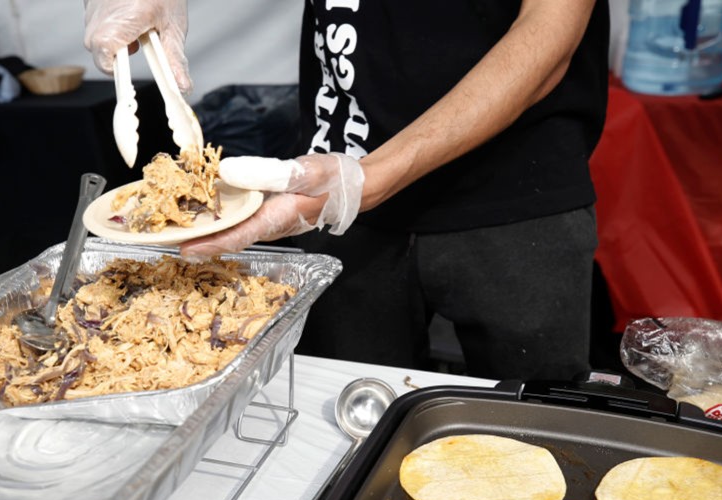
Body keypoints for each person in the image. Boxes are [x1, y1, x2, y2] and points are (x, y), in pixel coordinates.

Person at [84, 0, 610, 381]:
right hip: (333, 170)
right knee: (343, 410)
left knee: (535, 423)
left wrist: (371, 178)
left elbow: (550, 29)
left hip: (517, 183)